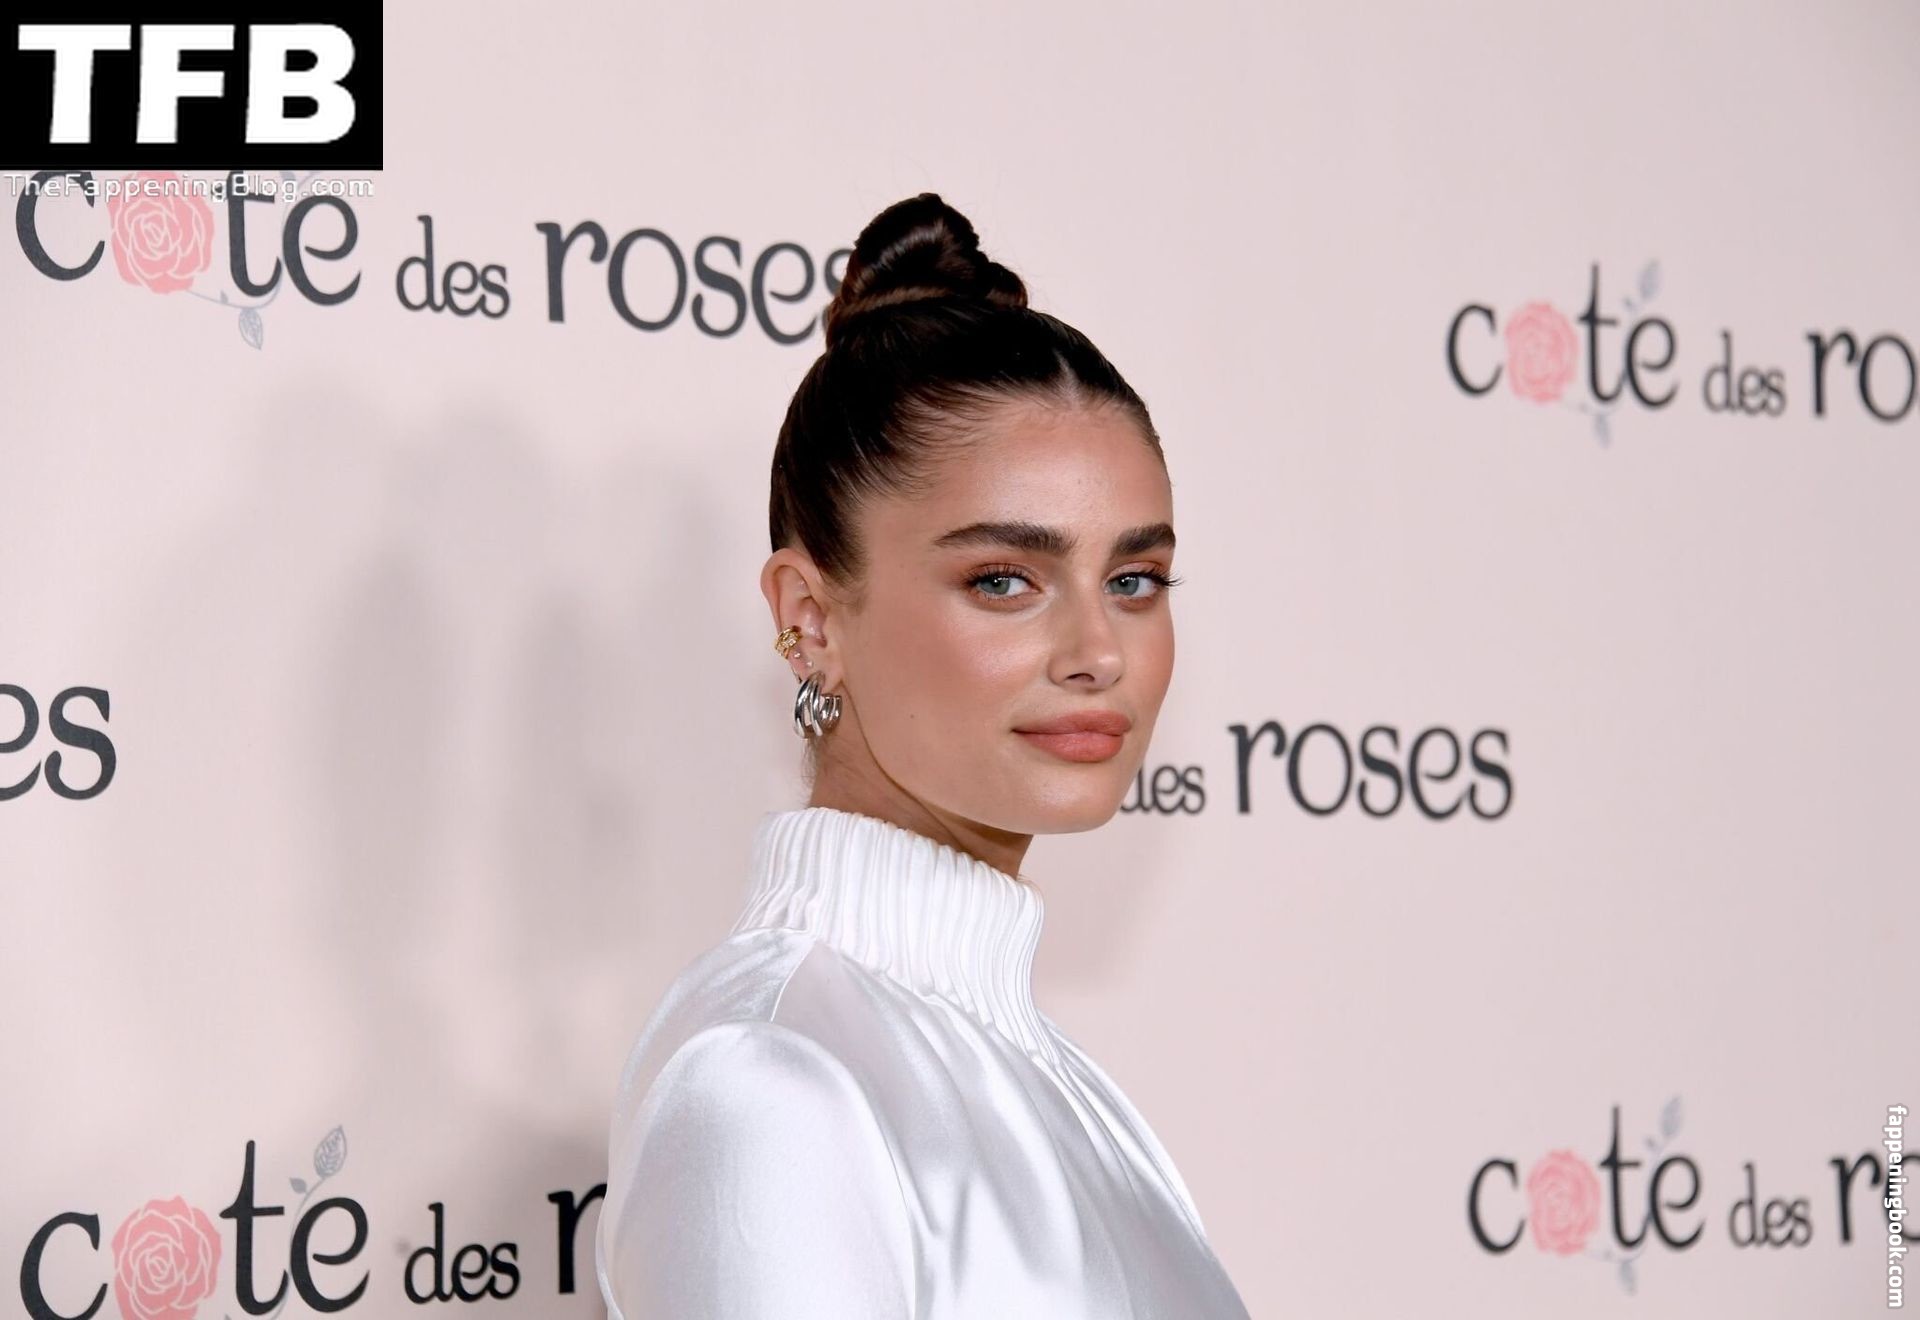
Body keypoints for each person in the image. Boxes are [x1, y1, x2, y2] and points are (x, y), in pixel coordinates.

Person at [595, 191, 1250, 1319]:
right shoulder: (767, 1082)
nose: (1100, 651)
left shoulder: (1069, 1091)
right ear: (811, 619)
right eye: (1004, 579)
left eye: (1134, 579)